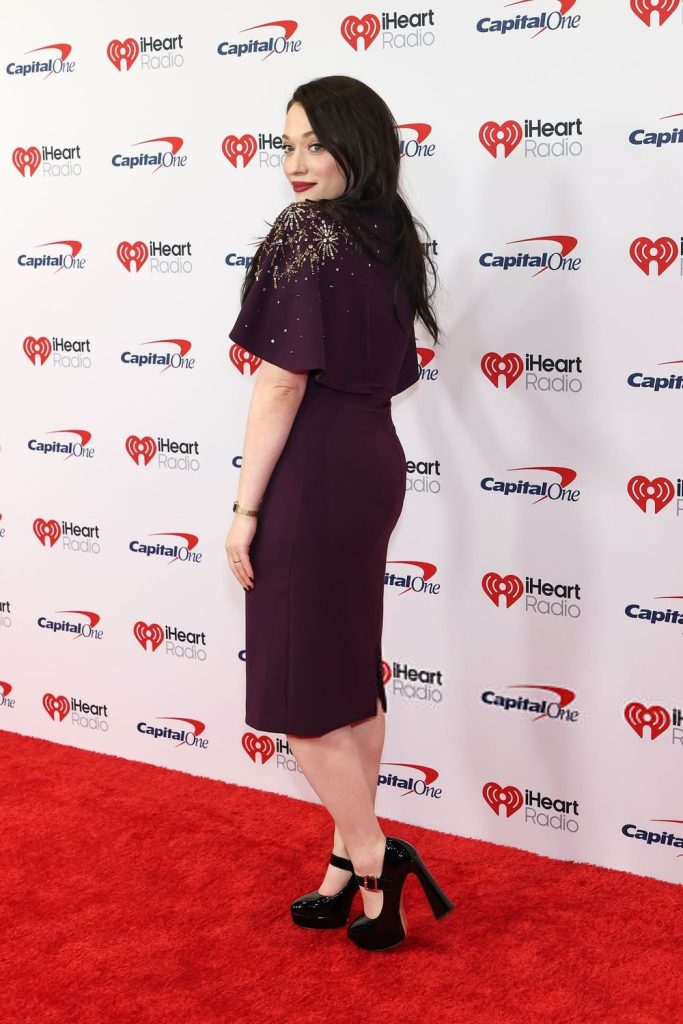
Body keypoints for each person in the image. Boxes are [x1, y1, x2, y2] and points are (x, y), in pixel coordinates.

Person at [226, 75, 453, 951]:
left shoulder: (307, 232)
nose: (294, 164)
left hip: (317, 467)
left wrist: (245, 507)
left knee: (302, 693)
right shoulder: (391, 231)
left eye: (314, 144)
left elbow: (280, 381)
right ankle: (339, 863)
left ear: (356, 146)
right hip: (374, 461)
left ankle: (372, 859)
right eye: (284, 145)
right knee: (350, 669)